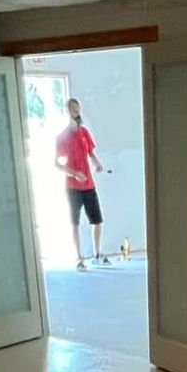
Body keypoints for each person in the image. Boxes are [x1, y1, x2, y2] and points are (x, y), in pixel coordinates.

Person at [54, 98, 108, 270]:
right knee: (75, 223)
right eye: (73, 110)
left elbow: (90, 154)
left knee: (97, 220)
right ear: (67, 112)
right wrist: (74, 174)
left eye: (78, 109)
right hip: (72, 188)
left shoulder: (84, 132)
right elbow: (58, 163)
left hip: (89, 185)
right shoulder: (62, 137)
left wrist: (97, 164)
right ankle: (78, 258)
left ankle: (97, 254)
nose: (77, 113)